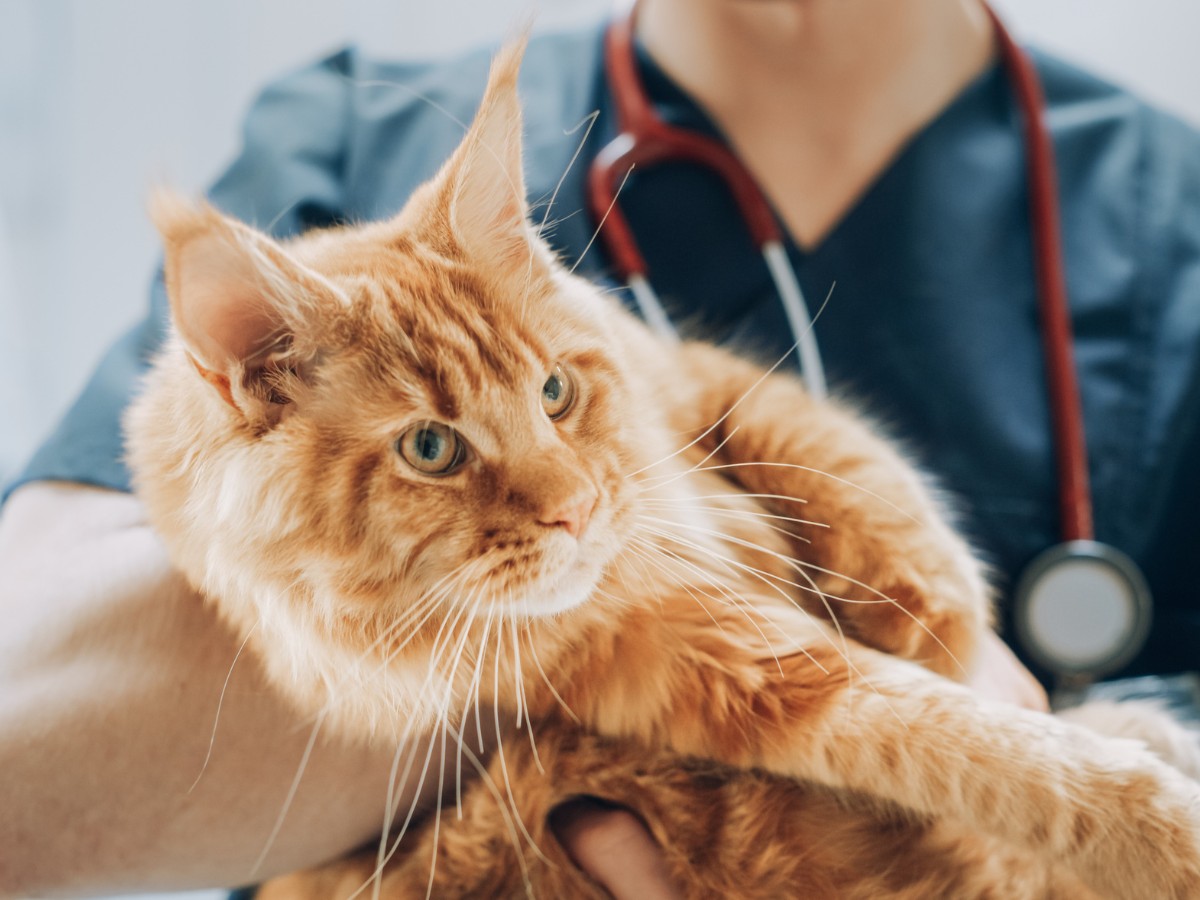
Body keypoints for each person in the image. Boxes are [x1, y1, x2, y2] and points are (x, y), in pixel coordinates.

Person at [2, 0, 1197, 896]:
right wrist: (648, 653)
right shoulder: (349, 140)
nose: (565, 500)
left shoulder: (1168, 209)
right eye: (437, 443)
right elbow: (33, 712)